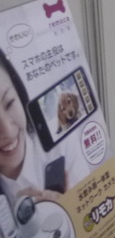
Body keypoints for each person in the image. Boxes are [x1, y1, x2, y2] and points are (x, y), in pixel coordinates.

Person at [0, 49, 93, 205]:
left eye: (9, 103)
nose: (7, 131)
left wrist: (69, 210)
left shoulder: (60, 145)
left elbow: (98, 210)